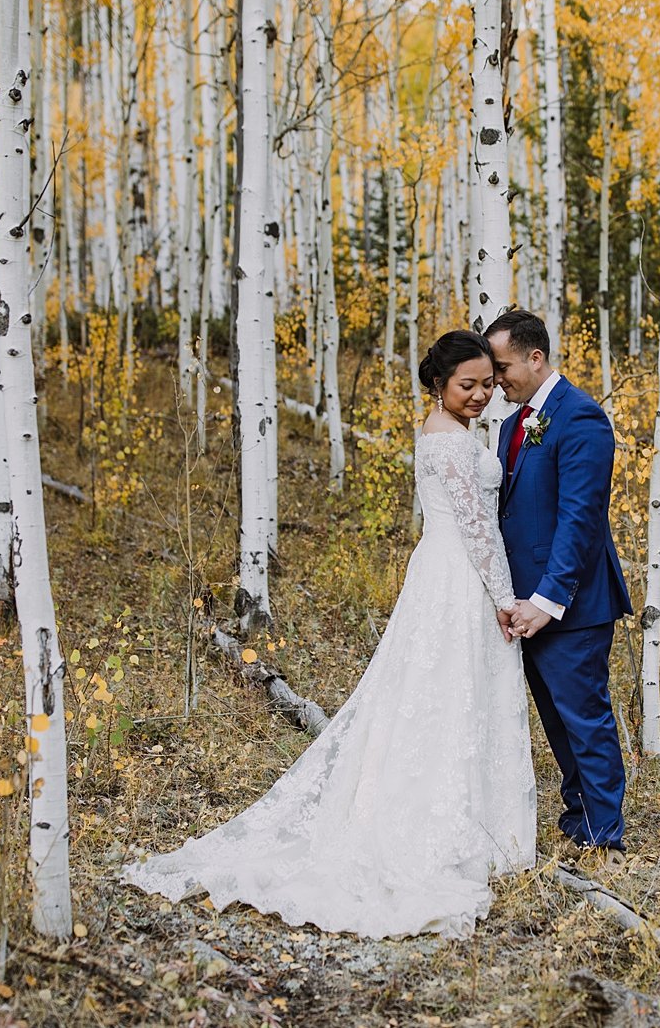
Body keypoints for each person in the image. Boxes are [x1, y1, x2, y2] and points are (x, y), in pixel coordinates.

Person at [124, 330, 536, 939]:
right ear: (438, 386)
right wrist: (507, 599)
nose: (479, 395)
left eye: (484, 383)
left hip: (446, 572)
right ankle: (437, 824)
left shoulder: (446, 430)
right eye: (466, 385)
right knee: (447, 689)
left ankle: (454, 811)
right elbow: (478, 531)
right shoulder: (451, 445)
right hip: (460, 576)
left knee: (438, 691)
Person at [485, 309, 633, 866]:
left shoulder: (582, 419)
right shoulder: (514, 424)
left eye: (502, 368)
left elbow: (581, 518)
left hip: (571, 602)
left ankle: (605, 833)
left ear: (535, 357)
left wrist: (547, 601)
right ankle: (579, 817)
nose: (497, 379)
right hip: (525, 603)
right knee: (555, 717)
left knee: (584, 717)